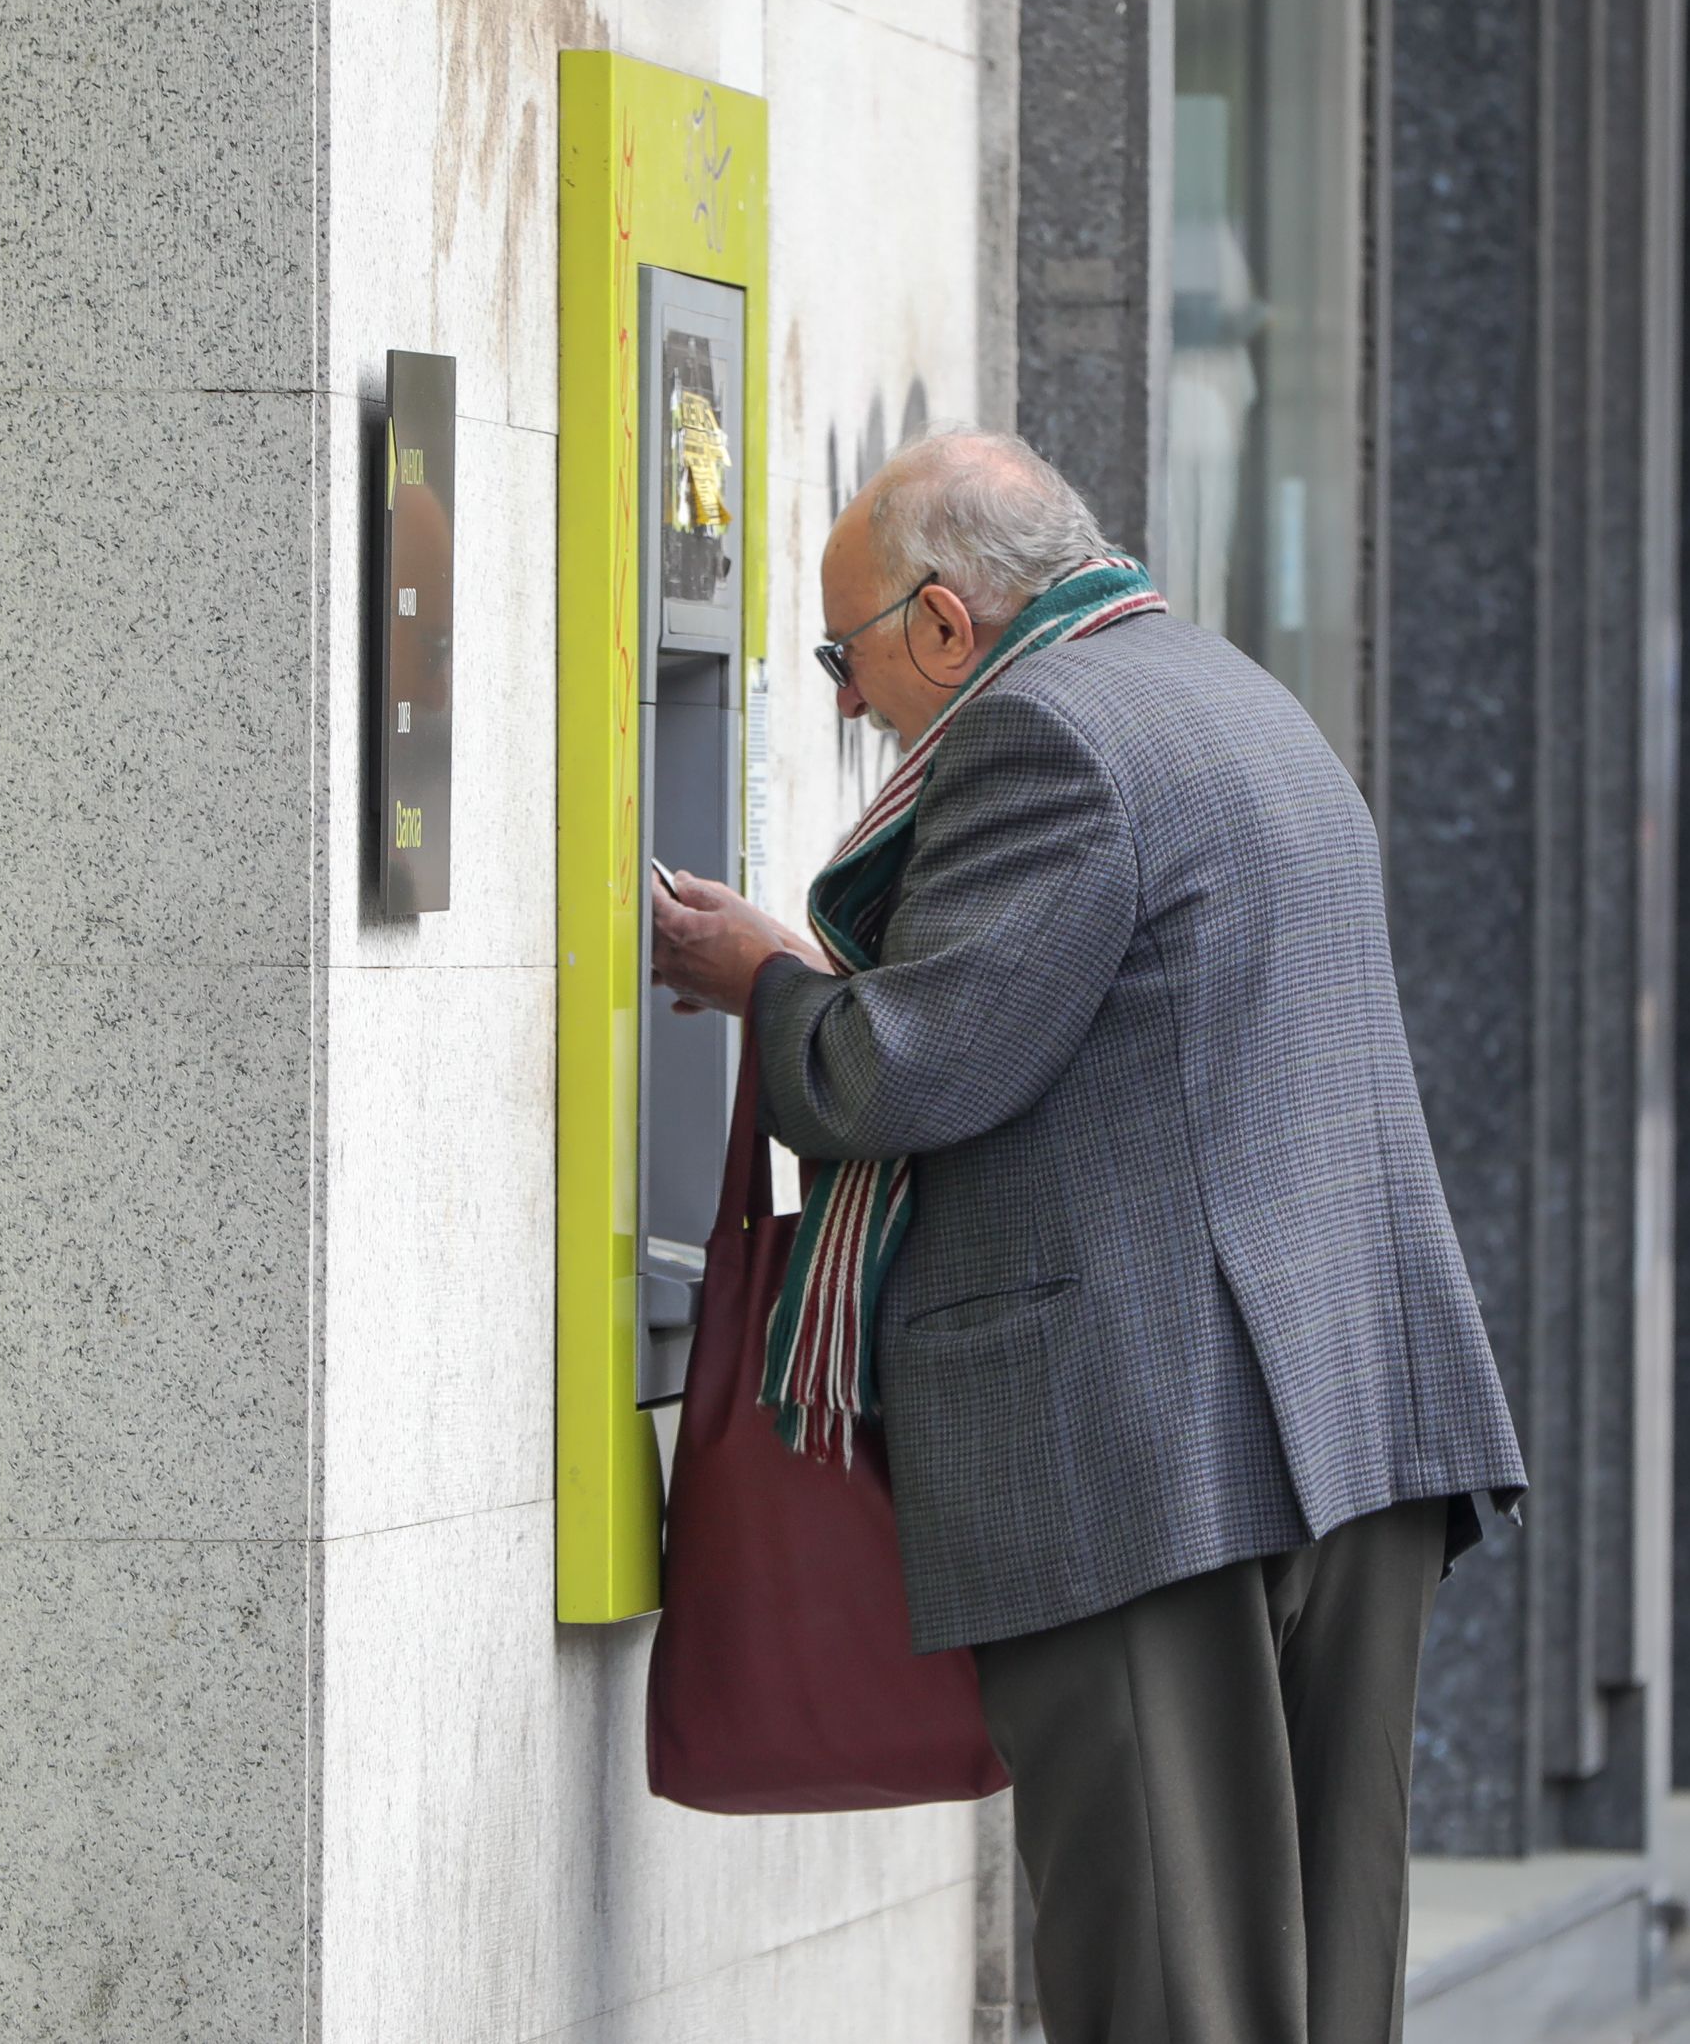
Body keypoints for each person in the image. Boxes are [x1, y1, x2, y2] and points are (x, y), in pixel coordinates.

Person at [649, 428, 1528, 2044]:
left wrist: (767, 978)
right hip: (1340, 1416)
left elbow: (904, 1069)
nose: (848, 704)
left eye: (846, 658)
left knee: (1168, 1976)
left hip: (1149, 1442)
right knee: (1320, 1983)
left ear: (939, 622)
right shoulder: (1226, 693)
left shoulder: (1040, 735)